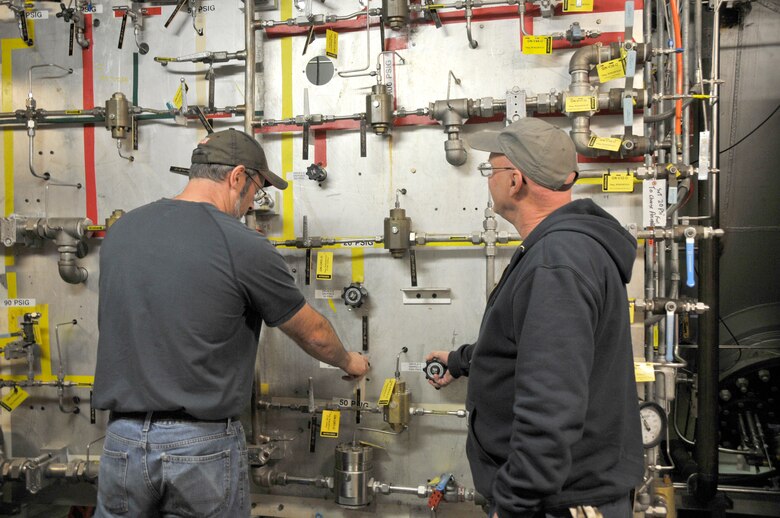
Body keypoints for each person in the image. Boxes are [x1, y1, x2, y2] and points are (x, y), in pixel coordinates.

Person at [93, 128, 369, 517]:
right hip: (198, 446)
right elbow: (313, 332)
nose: (252, 202)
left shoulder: (123, 231)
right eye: (255, 188)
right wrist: (349, 362)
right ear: (236, 176)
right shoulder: (242, 244)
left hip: (121, 440)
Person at [427, 118, 643, 518]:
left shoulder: (556, 263)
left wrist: (511, 506)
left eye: (490, 169)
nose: (488, 179)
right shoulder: (570, 248)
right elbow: (539, 350)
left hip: (557, 504)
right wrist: (462, 361)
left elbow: (550, 410)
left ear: (515, 181)